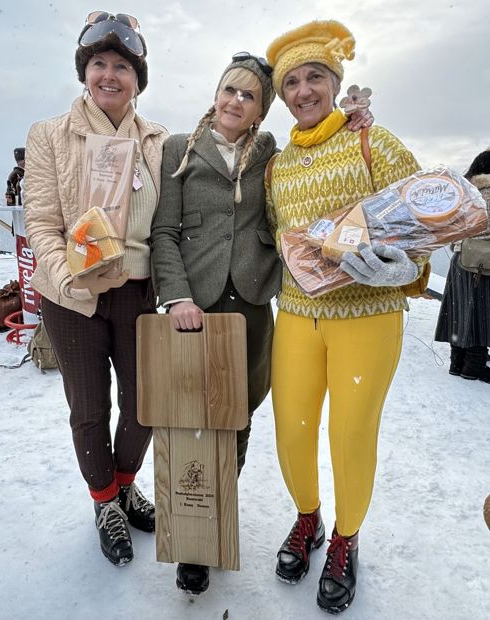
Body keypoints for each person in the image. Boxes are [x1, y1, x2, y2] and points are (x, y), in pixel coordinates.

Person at [151, 50, 372, 596]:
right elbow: (164, 233)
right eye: (229, 90)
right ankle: (193, 543)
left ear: (260, 112)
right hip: (192, 309)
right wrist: (176, 296)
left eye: (248, 96)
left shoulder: (270, 151)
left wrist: (355, 120)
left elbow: (318, 149)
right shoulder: (180, 150)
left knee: (238, 417)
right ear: (216, 93)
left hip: (250, 305)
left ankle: (217, 513)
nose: (235, 101)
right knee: (188, 420)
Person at [265, 20, 428, 613]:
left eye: (315, 77)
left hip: (368, 316)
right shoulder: (277, 166)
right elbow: (273, 237)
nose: (304, 91)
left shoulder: (373, 143)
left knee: (349, 434)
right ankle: (307, 519)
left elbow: (424, 220)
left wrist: (402, 268)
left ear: (335, 83)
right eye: (292, 83)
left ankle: (344, 539)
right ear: (281, 95)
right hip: (298, 316)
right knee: (292, 433)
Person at [24, 12, 168, 566]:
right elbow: (40, 219)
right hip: (74, 296)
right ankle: (104, 500)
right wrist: (64, 276)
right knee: (88, 405)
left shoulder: (156, 141)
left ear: (138, 78)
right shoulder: (50, 136)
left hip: (136, 292)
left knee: (143, 405)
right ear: (85, 72)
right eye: (99, 64)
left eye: (123, 67)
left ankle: (126, 482)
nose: (110, 75)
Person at [434, 149, 490, 382]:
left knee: (458, 311)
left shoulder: (464, 189)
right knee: (481, 313)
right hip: (484, 262)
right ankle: (474, 367)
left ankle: (457, 363)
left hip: (460, 259)